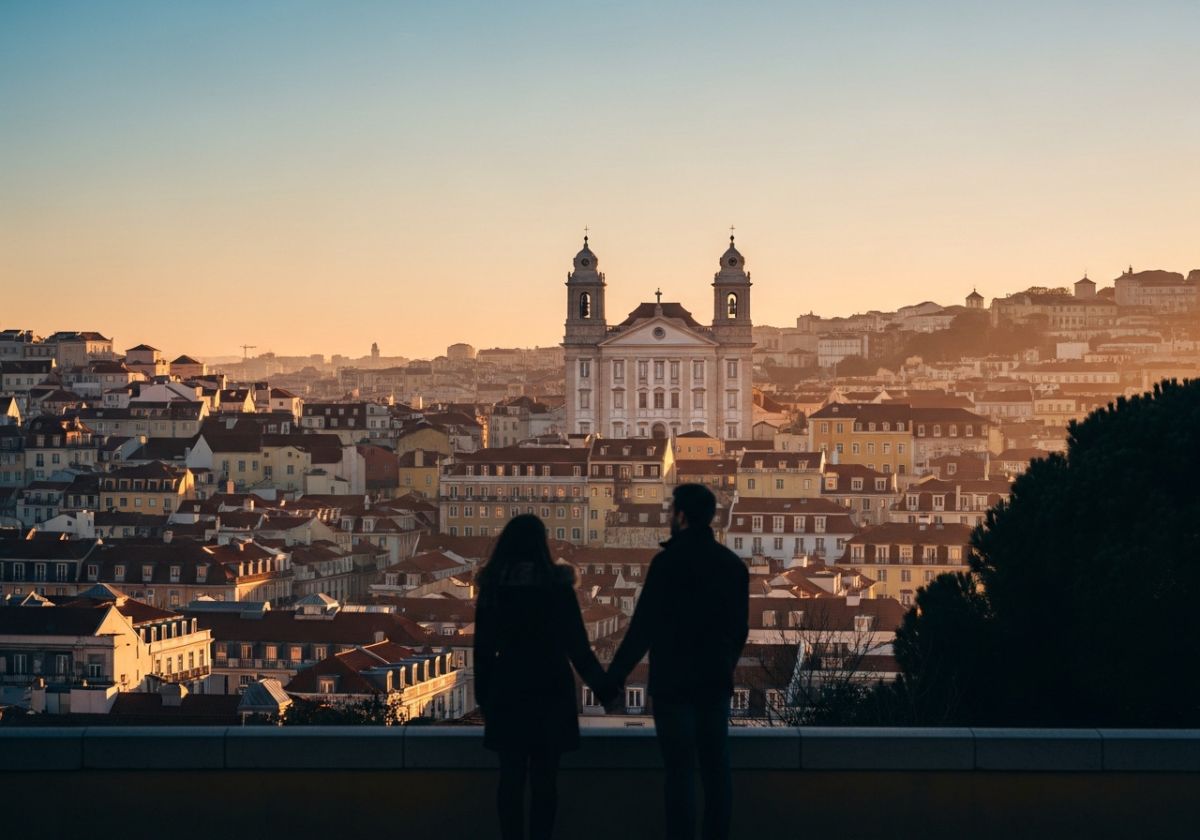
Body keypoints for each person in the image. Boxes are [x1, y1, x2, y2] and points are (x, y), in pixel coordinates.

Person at [606, 483, 750, 840]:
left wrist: (615, 677)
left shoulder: (666, 564)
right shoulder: (732, 566)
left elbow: (642, 628)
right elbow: (739, 630)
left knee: (680, 773)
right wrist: (725, 664)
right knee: (717, 772)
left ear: (681, 516)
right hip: (714, 681)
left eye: (672, 512)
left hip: (672, 684)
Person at [474, 514, 616, 840]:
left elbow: (482, 651)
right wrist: (606, 689)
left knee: (510, 779)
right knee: (545, 781)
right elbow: (578, 648)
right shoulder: (557, 588)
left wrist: (485, 698)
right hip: (551, 687)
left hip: (508, 688)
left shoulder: (494, 589)